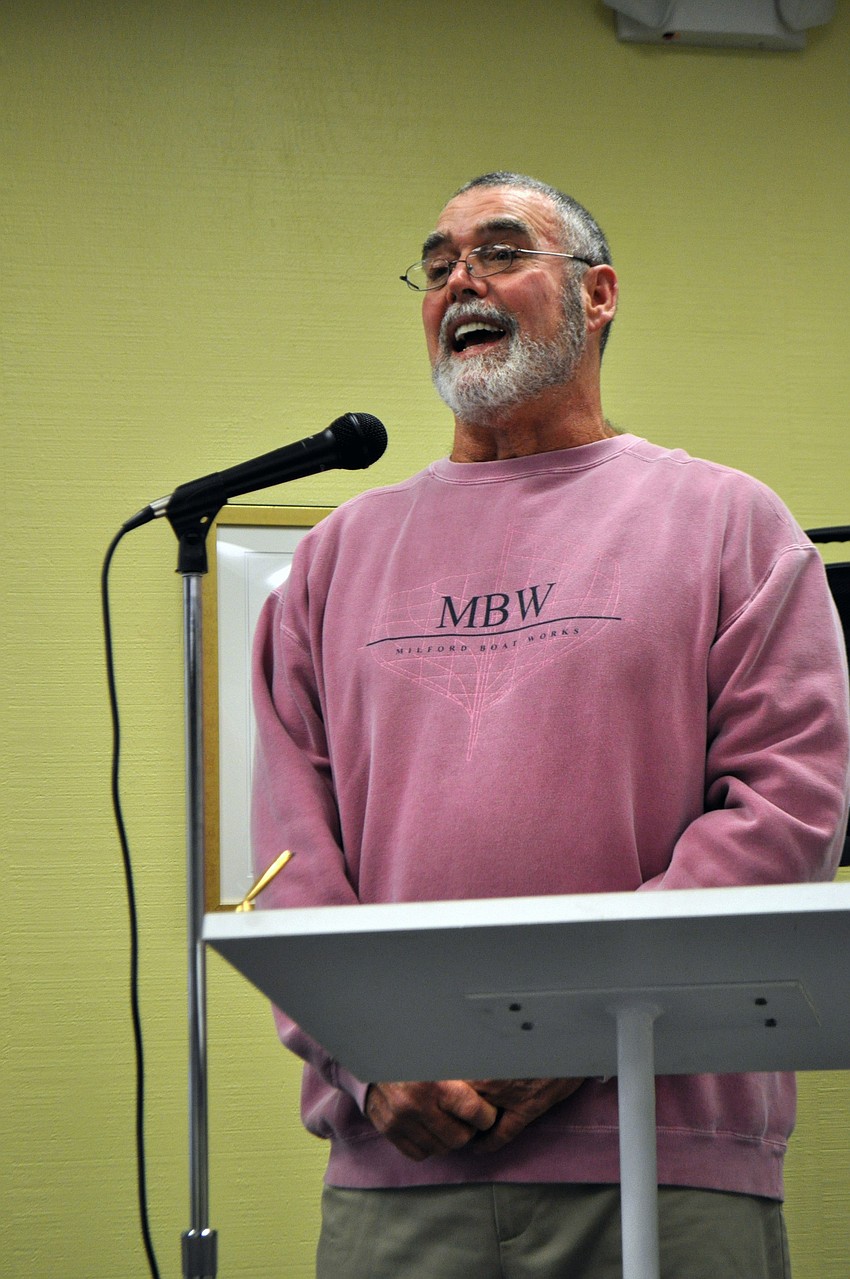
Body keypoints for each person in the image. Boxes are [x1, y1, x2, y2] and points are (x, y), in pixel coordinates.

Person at [251, 172, 850, 1277]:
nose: (459, 280)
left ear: (599, 294)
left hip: (665, 1158)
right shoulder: (335, 556)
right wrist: (372, 1059)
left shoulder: (729, 524)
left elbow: (783, 814)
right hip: (400, 1158)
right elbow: (292, 858)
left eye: (499, 250)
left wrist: (571, 1030)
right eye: (436, 266)